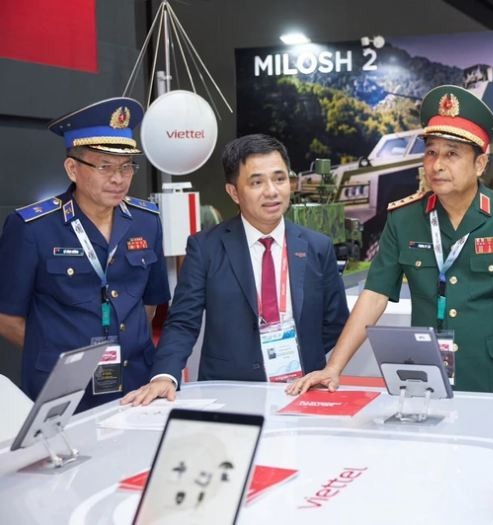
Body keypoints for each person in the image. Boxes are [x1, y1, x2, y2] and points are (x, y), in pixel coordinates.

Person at [287, 85, 493, 396]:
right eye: (431, 152)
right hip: (425, 381)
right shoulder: (404, 218)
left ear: (480, 164)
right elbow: (374, 295)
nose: (437, 165)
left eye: (452, 154)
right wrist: (334, 368)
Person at [121, 134, 349, 405]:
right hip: (228, 392)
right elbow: (183, 321)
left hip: (302, 390)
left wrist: (298, 353)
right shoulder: (205, 247)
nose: (272, 191)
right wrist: (164, 376)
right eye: (256, 182)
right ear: (233, 192)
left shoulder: (317, 246)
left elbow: (334, 322)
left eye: (279, 178)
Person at [0, 97, 170, 411]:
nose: (118, 179)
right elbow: (7, 318)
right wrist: (59, 356)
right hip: (63, 390)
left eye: (126, 166)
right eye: (105, 167)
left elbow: (149, 305)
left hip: (136, 383)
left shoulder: (147, 221)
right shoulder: (33, 228)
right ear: (73, 169)